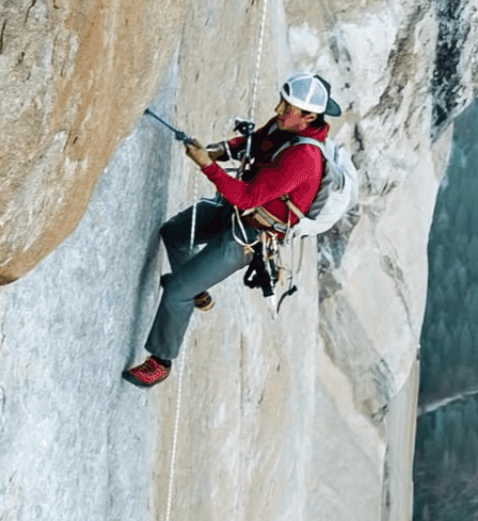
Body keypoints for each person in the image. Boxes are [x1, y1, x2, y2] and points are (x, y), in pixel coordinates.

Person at [122, 72, 342, 388]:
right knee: (174, 233)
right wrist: (217, 151)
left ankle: (160, 361)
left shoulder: (304, 158)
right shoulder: (286, 126)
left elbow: (247, 195)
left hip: (249, 236)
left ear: (309, 117)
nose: (279, 109)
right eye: (282, 102)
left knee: (176, 290)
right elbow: (252, 143)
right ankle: (195, 289)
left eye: (288, 106)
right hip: (238, 213)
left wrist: (206, 165)